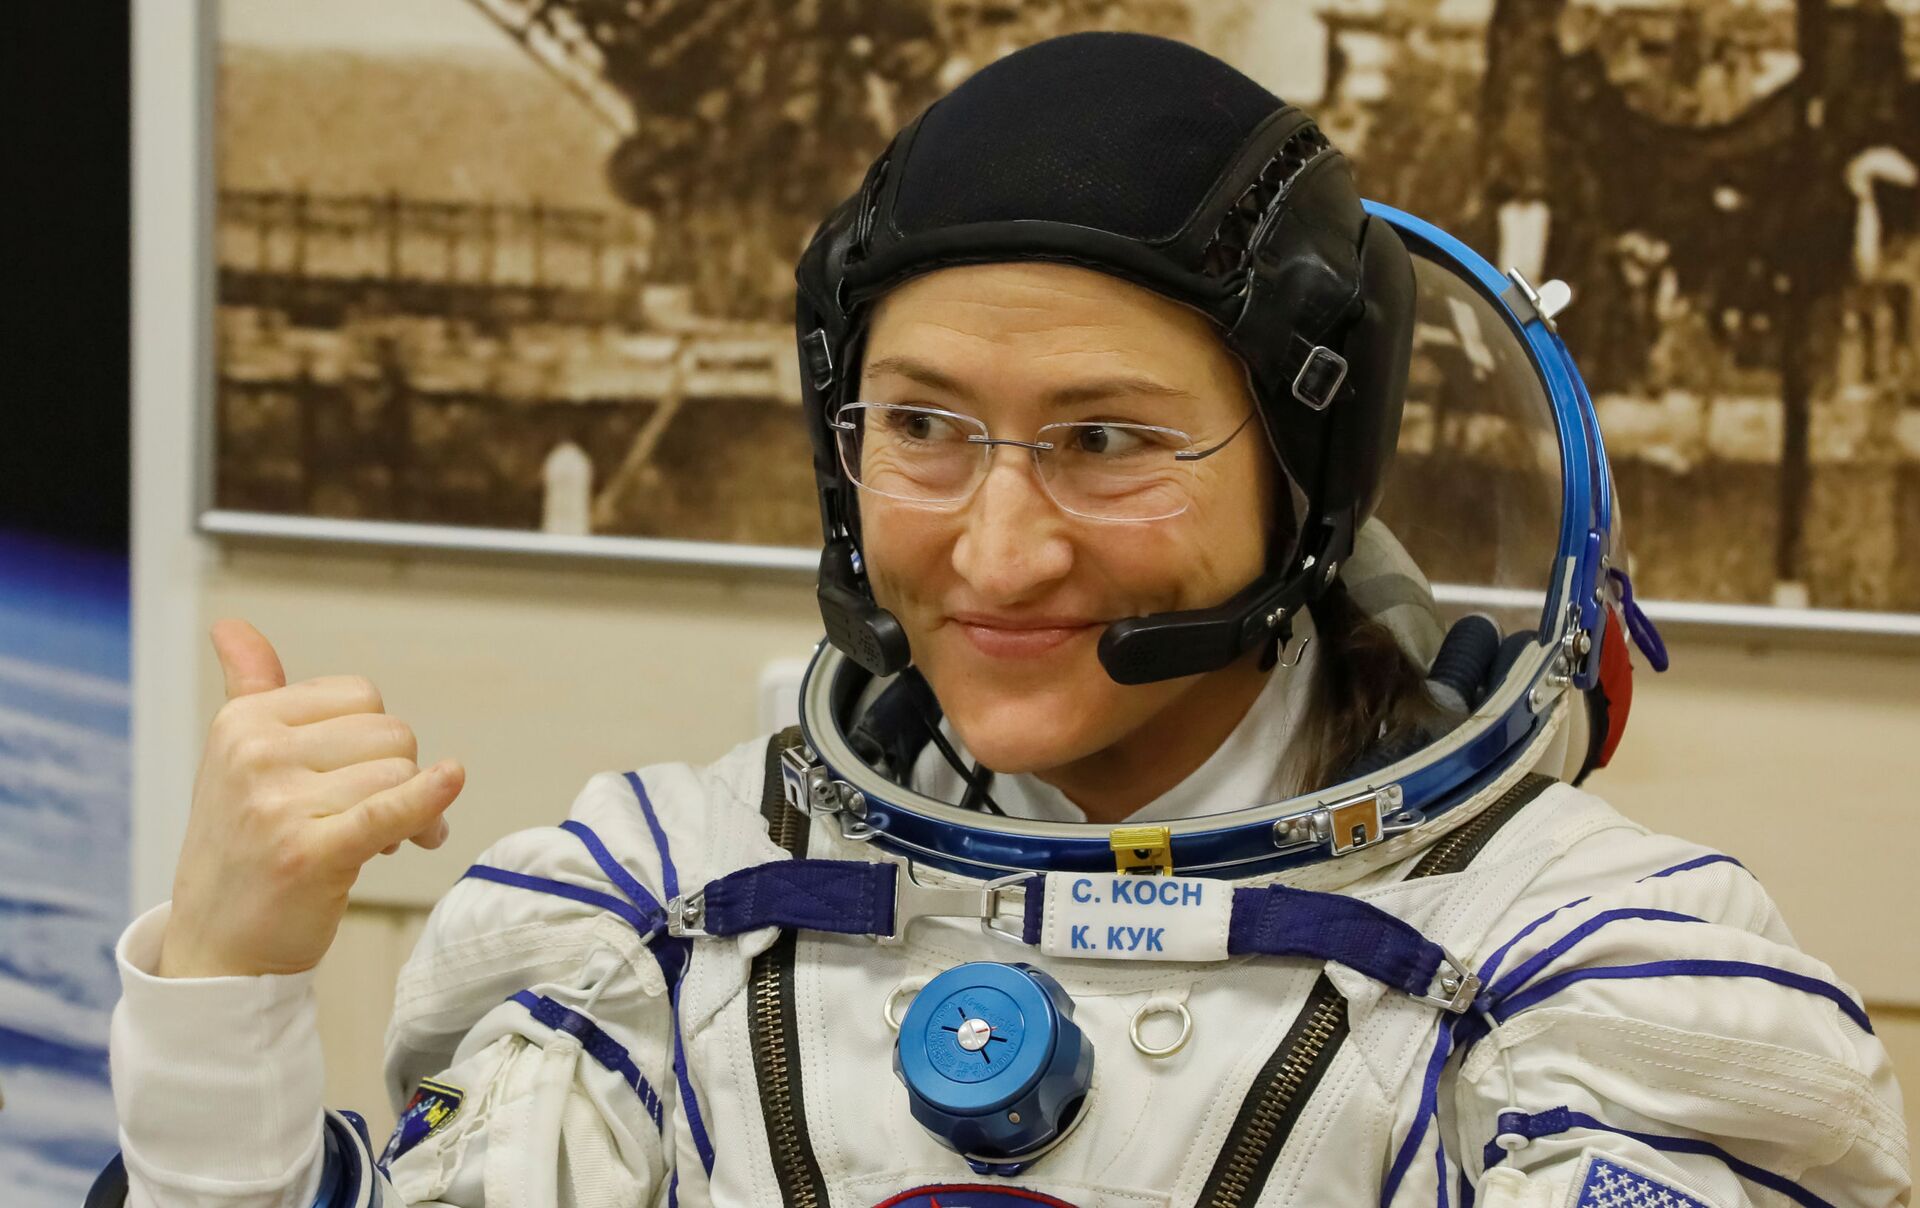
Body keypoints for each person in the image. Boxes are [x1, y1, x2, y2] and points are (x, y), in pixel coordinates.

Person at [101, 32, 1908, 1208]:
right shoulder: (656, 912)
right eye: (924, 428)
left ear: (1305, 474)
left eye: (1106, 441)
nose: (999, 547)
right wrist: (222, 992)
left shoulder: (1576, 972)